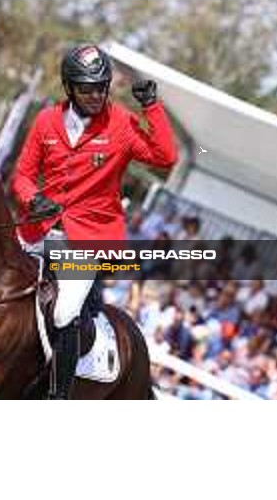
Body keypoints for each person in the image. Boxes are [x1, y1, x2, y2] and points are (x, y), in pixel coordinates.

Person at [11, 43, 179, 398]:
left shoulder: (120, 123)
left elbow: (166, 156)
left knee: (63, 313)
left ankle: (57, 396)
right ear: (69, 87)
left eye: (101, 87)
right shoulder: (46, 120)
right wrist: (32, 198)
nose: (95, 95)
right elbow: (22, 176)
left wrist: (152, 107)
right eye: (87, 88)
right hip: (39, 229)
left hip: (88, 239)